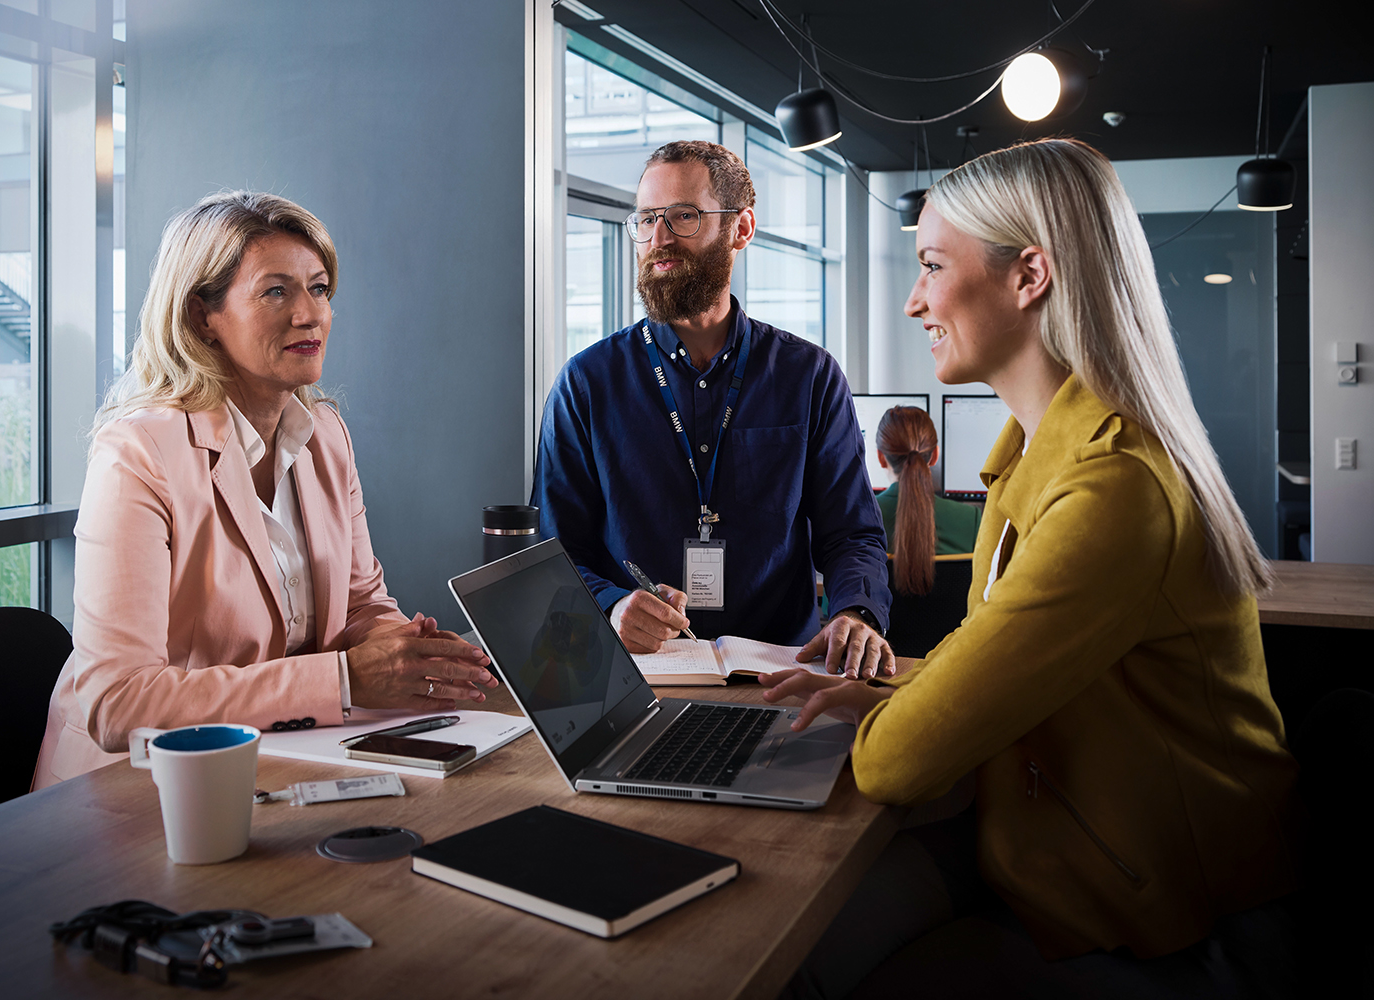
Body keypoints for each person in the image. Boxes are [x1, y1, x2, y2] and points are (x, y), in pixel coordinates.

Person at [764, 140, 1299, 997]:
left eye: (933, 265)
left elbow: (893, 766)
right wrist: (896, 693)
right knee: (792, 946)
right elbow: (985, 654)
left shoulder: (1113, 489)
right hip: (1050, 850)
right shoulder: (1029, 462)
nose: (913, 301)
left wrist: (895, 714)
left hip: (1176, 921)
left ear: (1030, 276)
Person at [33, 192, 497, 788]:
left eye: (320, 288)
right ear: (203, 316)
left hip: (281, 763)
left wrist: (411, 656)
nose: (310, 314)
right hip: (133, 792)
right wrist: (348, 679)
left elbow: (360, 603)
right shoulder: (138, 453)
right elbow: (119, 702)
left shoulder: (325, 434)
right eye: (276, 291)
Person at [532, 140, 894, 680]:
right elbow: (553, 549)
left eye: (683, 216)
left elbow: (852, 534)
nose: (658, 239)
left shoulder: (810, 377)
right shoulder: (586, 384)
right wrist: (610, 606)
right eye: (648, 218)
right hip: (637, 681)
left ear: (741, 229)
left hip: (783, 678)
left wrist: (856, 613)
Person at [872, 405, 981, 595]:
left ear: (881, 458)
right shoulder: (971, 519)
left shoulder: (860, 518)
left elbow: (835, 606)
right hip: (957, 626)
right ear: (934, 456)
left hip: (878, 626)